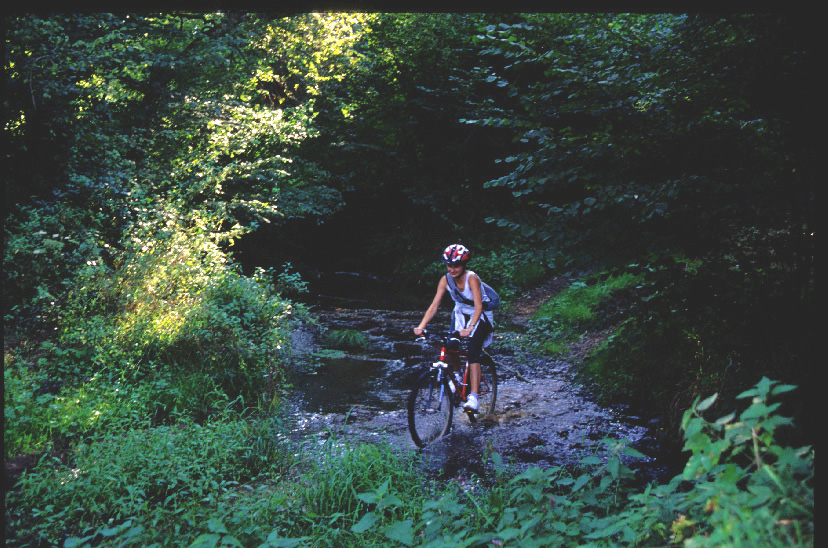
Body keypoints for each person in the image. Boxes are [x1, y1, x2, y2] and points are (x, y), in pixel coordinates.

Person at [414, 244, 494, 412]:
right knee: (450, 345)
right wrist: (421, 326)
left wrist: (470, 328)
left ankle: (473, 397)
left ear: (463, 265)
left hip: (480, 316)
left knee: (473, 351)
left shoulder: (472, 278)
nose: (452, 269)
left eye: (456, 265)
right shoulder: (445, 280)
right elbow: (435, 305)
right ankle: (457, 375)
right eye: (449, 265)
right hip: (460, 314)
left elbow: (479, 307)